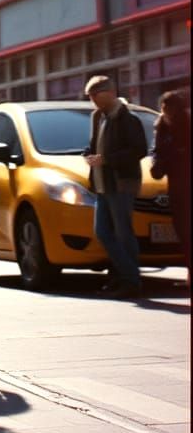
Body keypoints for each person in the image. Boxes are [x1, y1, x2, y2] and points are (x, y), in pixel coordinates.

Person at [83, 75, 148, 299]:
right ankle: (123, 275)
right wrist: (88, 155)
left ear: (110, 93)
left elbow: (138, 150)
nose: (93, 100)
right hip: (102, 184)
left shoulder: (128, 119)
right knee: (102, 231)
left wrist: (107, 159)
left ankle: (131, 280)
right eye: (90, 96)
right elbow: (94, 145)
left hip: (122, 183)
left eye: (95, 95)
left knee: (123, 233)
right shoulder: (97, 117)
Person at [150, 91, 191, 282]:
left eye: (168, 109)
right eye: (163, 108)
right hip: (177, 189)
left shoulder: (185, 127)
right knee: (183, 230)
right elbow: (157, 161)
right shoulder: (162, 129)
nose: (164, 112)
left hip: (185, 186)